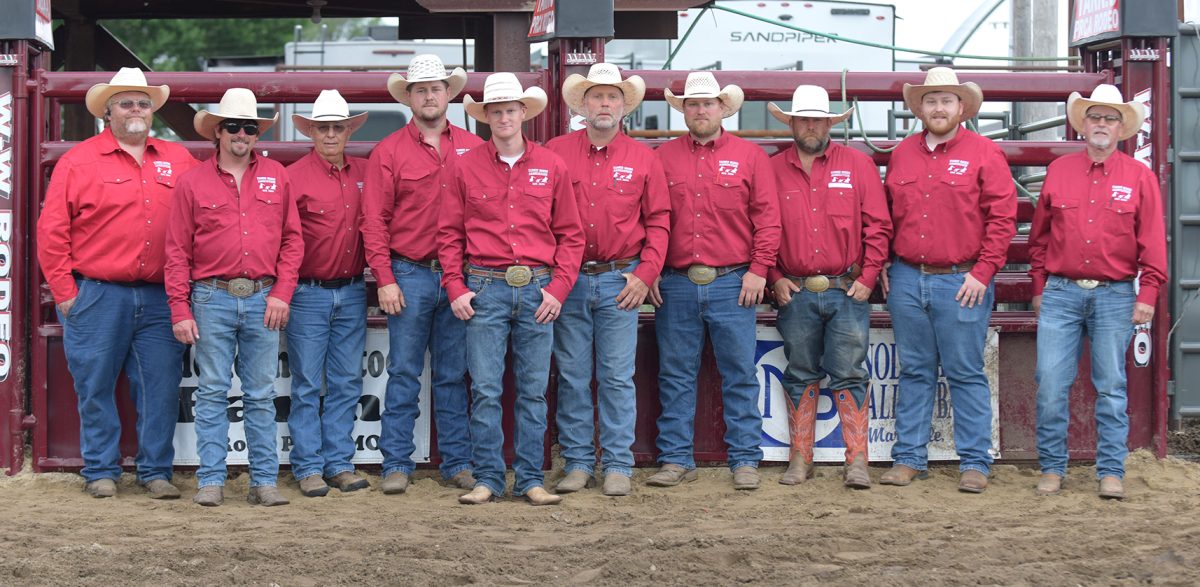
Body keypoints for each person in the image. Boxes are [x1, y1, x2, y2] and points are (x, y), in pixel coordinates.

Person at [37, 68, 198, 499]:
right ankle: (100, 470)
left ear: (152, 111)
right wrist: (66, 294)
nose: (136, 110)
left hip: (161, 295)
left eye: (143, 103)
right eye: (126, 103)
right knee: (94, 386)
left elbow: (202, 218)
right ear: (107, 113)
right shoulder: (79, 161)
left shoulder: (179, 159)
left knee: (160, 387)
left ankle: (156, 471)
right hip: (96, 293)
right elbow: (52, 232)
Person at [438, 72, 585, 506]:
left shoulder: (551, 165)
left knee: (533, 389)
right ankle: (488, 477)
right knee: (485, 388)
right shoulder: (465, 167)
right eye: (496, 111)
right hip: (485, 286)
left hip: (538, 288)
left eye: (510, 110)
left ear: (524, 113)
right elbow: (449, 233)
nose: (504, 118)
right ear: (486, 117)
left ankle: (529, 479)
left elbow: (571, 234)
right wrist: (455, 286)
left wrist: (558, 288)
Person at [880, 67, 1016, 493]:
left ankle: (974, 461)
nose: (938, 108)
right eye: (931, 100)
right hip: (907, 276)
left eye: (946, 100)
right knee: (915, 370)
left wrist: (983, 272)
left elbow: (1002, 218)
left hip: (962, 280)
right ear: (919, 108)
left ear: (961, 107)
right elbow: (888, 215)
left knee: (965, 371)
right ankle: (909, 458)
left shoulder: (985, 153)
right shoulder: (902, 154)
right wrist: (884, 262)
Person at [1028, 84, 1167, 500]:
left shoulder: (1139, 177)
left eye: (1110, 118)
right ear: (1083, 125)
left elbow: (1153, 241)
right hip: (1061, 292)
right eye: (1095, 117)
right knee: (1050, 383)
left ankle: (1110, 471)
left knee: (1111, 386)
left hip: (1115, 294)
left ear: (1122, 127)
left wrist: (1148, 293)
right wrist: (1039, 287)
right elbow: (1039, 238)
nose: (1102, 124)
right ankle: (1053, 467)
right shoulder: (1059, 171)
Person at [165, 88, 303, 507]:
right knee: (211, 390)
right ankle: (211, 479)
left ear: (257, 134)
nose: (242, 134)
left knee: (261, 392)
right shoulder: (191, 182)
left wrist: (282, 292)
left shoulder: (277, 175)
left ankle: (264, 481)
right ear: (218, 132)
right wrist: (179, 308)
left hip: (263, 296)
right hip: (211, 296)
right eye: (233, 126)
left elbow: (292, 241)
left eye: (249, 127)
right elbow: (177, 250)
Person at [648, 72, 781, 491]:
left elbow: (767, 219)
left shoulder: (750, 157)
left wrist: (759, 269)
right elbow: (651, 219)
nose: (700, 110)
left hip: (733, 281)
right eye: (693, 104)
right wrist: (651, 270)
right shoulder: (662, 157)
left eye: (707, 103)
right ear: (683, 110)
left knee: (739, 372)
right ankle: (675, 458)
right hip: (676, 281)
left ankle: (745, 458)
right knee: (675, 374)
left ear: (723, 108)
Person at [545, 63, 670, 497]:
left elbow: (659, 222)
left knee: (617, 376)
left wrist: (645, 274)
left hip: (622, 281)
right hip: (570, 280)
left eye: (612, 96)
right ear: (582, 105)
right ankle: (579, 461)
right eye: (596, 96)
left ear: (623, 106)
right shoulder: (555, 153)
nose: (604, 103)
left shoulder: (644, 158)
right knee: (573, 375)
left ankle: (618, 463)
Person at [361, 54, 482, 495]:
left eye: (436, 88)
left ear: (449, 94)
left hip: (460, 276)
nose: (429, 96)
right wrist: (385, 278)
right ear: (409, 97)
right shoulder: (389, 151)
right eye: (421, 90)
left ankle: (457, 462)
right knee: (404, 372)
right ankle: (397, 462)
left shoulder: (473, 147)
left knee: (454, 373)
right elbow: (374, 221)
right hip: (409, 272)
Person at [767, 85, 893, 489]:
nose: (811, 126)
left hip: (847, 288)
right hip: (796, 289)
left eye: (818, 120)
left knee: (849, 371)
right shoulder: (771, 169)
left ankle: (856, 460)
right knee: (800, 371)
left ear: (829, 125)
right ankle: (800, 458)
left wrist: (869, 277)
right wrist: (774, 277)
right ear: (792, 124)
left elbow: (878, 226)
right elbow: (761, 228)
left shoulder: (858, 165)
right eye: (804, 119)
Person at [284, 90, 371, 497]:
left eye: (338, 127)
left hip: (352, 288)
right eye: (324, 128)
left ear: (348, 131)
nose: (331, 135)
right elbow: (284, 238)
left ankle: (338, 463)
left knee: (345, 380)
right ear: (311, 132)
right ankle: (308, 466)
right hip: (308, 291)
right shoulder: (293, 177)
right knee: (306, 382)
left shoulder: (366, 172)